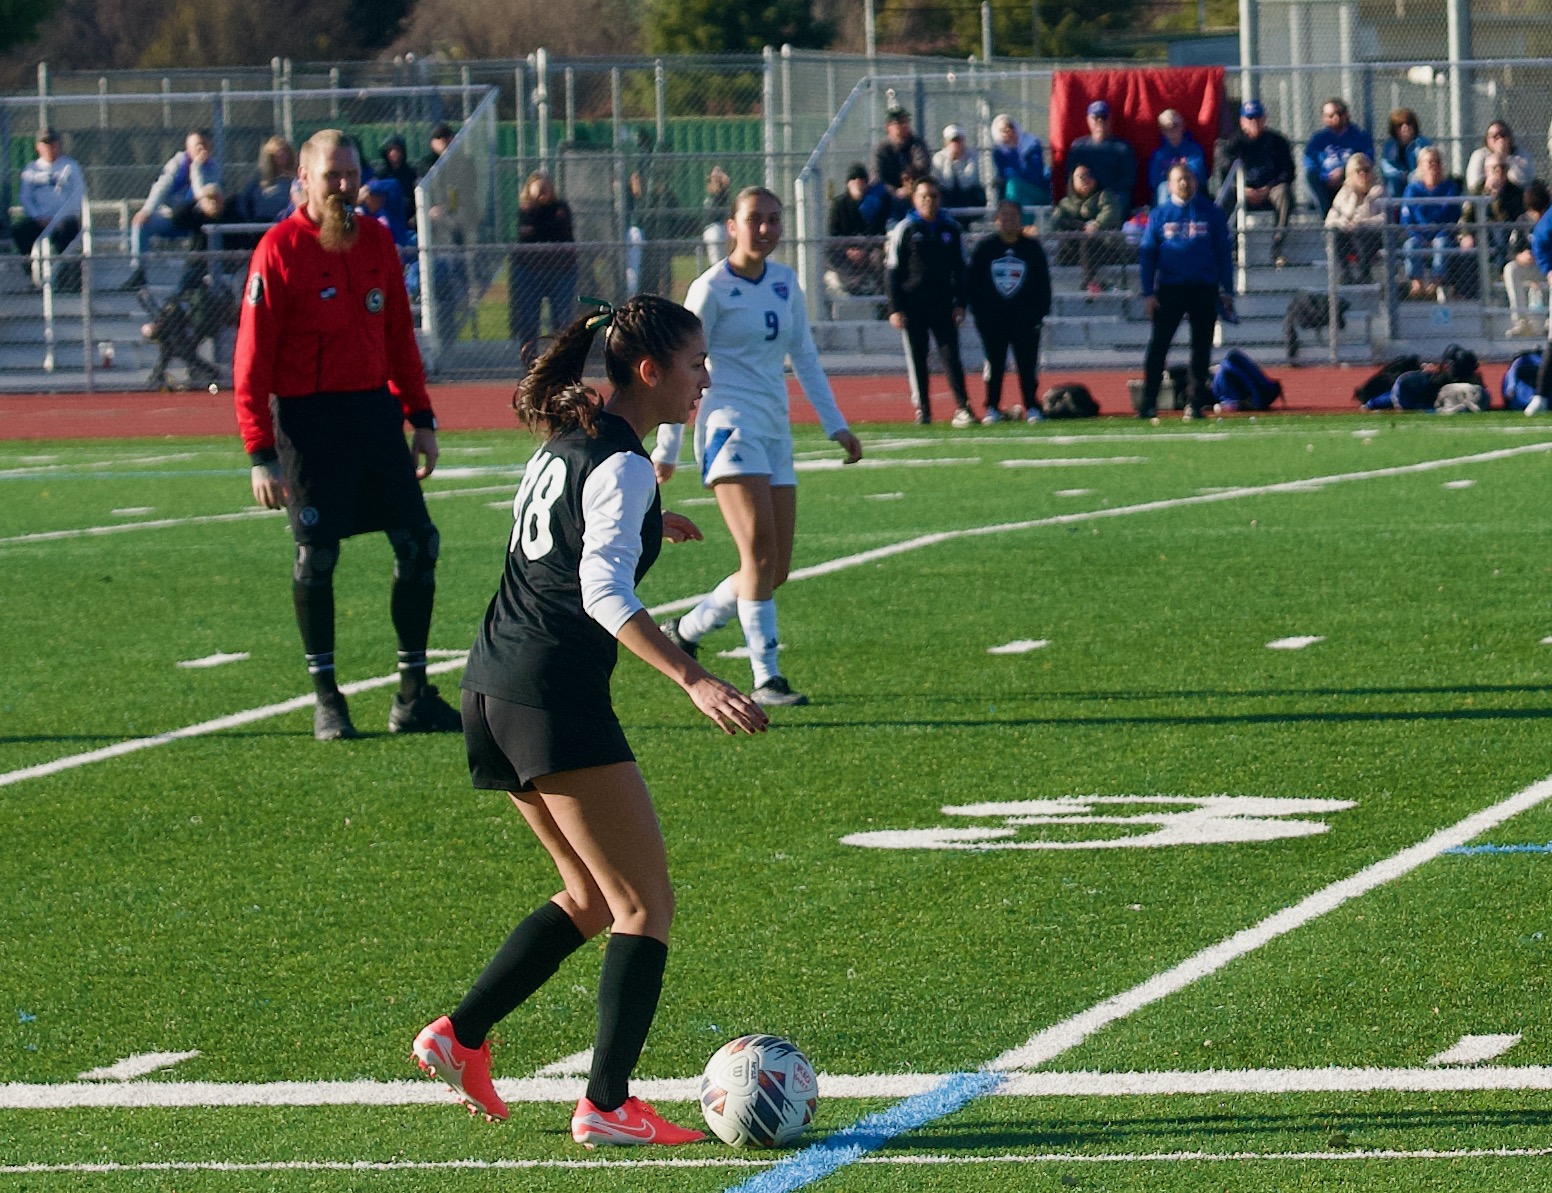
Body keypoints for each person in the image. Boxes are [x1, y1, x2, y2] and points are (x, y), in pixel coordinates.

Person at [413, 294, 768, 1146]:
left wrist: (652, 522)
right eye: (693, 365)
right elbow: (600, 589)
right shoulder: (624, 462)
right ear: (650, 370)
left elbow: (556, 543)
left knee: (589, 896)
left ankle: (460, 1035)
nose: (704, 379)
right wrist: (692, 677)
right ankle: (607, 1102)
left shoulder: (571, 441)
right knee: (645, 904)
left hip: (488, 689)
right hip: (549, 694)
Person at [233, 128, 462, 742]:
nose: (342, 186)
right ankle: (327, 697)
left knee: (419, 545)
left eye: (349, 174)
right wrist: (260, 452)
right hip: (307, 425)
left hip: (373, 415)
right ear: (301, 181)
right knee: (319, 556)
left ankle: (413, 696)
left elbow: (398, 339)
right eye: (330, 175)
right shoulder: (278, 250)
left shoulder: (379, 239)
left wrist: (422, 417)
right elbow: (251, 360)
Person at [650, 187, 863, 706]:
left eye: (773, 220)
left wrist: (836, 425)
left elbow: (805, 357)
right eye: (755, 220)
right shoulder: (710, 288)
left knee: (774, 569)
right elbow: (679, 367)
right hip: (728, 425)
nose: (765, 229)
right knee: (758, 554)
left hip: (774, 430)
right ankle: (767, 678)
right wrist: (668, 445)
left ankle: (689, 629)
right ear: (732, 226)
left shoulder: (787, 282)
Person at [1137, 162, 1233, 421]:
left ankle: (1195, 403)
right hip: (1170, 289)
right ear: (1169, 185)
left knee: (1201, 349)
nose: (1184, 183)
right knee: (1158, 347)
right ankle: (1148, 402)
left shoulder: (1211, 213)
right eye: (1179, 179)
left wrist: (1228, 290)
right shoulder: (1160, 214)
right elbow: (1148, 255)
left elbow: (1224, 253)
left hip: (1204, 287)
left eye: (1188, 178)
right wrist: (1148, 292)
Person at [885, 176, 974, 427]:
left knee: (951, 356)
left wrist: (960, 304)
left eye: (933, 196)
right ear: (915, 199)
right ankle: (923, 410)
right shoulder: (905, 228)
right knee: (917, 358)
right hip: (913, 305)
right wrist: (895, 308)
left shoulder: (951, 229)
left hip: (943, 304)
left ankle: (962, 406)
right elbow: (892, 271)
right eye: (923, 196)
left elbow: (960, 269)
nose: (929, 201)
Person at [967, 199, 1052, 424]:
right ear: (996, 219)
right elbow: (973, 284)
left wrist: (1038, 313)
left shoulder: (1032, 248)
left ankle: (1032, 406)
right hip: (993, 319)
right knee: (994, 364)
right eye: (1003, 215)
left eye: (1013, 215)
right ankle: (992, 407)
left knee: (1027, 364)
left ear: (1020, 218)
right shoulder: (985, 248)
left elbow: (1043, 284)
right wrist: (980, 314)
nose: (1008, 220)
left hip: (1025, 319)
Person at [125, 128, 221, 288]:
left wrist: (197, 167)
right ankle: (138, 272)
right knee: (140, 223)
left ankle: (193, 278)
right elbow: (161, 186)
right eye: (197, 145)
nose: (202, 149)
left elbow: (202, 194)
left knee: (210, 230)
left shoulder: (212, 168)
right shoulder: (178, 163)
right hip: (171, 217)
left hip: (195, 222)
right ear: (188, 147)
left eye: (205, 145)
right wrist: (147, 210)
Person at [1216, 99, 1296, 268]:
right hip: (1242, 191)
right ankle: (1230, 248)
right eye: (1249, 118)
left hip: (1270, 189)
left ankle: (1277, 247)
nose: (1254, 122)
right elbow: (1224, 173)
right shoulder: (1233, 142)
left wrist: (1267, 188)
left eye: (1258, 118)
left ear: (1265, 118)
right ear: (1242, 120)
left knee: (1283, 193)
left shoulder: (1277, 141)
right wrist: (1242, 190)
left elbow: (1288, 171)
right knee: (1226, 197)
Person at [509, 170, 578, 361]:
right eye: (539, 187)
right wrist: (542, 222)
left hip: (561, 271)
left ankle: (561, 364)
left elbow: (560, 229)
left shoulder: (561, 207)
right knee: (529, 321)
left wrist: (540, 228)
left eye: (546, 186)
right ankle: (530, 365)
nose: (543, 191)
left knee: (562, 320)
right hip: (529, 271)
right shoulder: (525, 209)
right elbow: (526, 232)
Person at [12, 128, 84, 289]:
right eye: (45, 144)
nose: (50, 147)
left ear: (58, 144)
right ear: (38, 146)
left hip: (64, 220)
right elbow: (25, 198)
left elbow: (78, 195)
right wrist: (38, 217)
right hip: (41, 220)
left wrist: (61, 218)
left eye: (53, 143)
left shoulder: (70, 166)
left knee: (68, 235)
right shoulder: (31, 169)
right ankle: (35, 278)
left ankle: (69, 281)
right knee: (20, 233)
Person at [1458, 152, 1525, 300]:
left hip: (1508, 237)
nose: (1499, 172)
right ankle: (1468, 293)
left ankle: (1500, 271)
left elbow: (1509, 218)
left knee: (1499, 230)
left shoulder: (1514, 192)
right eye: (1494, 168)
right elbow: (1466, 217)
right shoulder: (1477, 190)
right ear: (1486, 171)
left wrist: (1496, 196)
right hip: (1482, 236)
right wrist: (1466, 234)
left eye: (1503, 168)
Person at [1399, 145, 1463, 300]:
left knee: (1441, 243)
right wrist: (1421, 237)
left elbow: (1453, 219)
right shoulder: (1412, 190)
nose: (1434, 165)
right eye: (1429, 162)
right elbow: (1406, 220)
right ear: (1420, 166)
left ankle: (1436, 283)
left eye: (1437, 162)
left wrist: (1437, 236)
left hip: (1442, 236)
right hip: (1418, 236)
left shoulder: (1450, 188)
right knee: (1410, 245)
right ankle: (1417, 285)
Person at [1048, 163, 1123, 293]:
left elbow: (1111, 213)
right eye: (1080, 177)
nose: (1085, 179)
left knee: (1087, 240)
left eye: (1088, 175)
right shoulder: (1065, 204)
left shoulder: (1104, 196)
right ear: (1072, 181)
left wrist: (1097, 224)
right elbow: (1054, 222)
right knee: (1070, 229)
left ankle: (1090, 282)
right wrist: (1081, 227)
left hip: (1101, 248)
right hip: (1073, 252)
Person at [1303, 98, 1375, 217]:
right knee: (1309, 176)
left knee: (1361, 172)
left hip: (1350, 181)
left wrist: (1344, 171)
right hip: (1325, 184)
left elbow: (1368, 159)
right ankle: (1328, 220)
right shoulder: (1318, 139)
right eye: (1330, 116)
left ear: (1347, 114)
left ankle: (1349, 221)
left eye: (1340, 114)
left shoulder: (1360, 136)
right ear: (1324, 118)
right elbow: (1309, 163)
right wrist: (1326, 177)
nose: (1336, 118)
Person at [825, 162, 889, 297]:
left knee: (878, 256)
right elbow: (834, 233)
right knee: (829, 253)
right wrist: (848, 250)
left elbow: (879, 231)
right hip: (846, 250)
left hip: (869, 250)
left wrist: (864, 250)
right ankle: (854, 283)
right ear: (848, 183)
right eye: (854, 179)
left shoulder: (875, 205)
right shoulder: (839, 204)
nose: (858, 183)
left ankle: (881, 295)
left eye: (861, 180)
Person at [1324, 152, 1386, 285]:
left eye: (1366, 170)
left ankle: (1365, 273)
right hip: (1349, 239)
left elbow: (1385, 219)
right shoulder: (1344, 193)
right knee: (1335, 233)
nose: (1363, 174)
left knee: (1360, 231)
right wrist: (1345, 222)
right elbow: (1330, 221)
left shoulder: (1378, 191)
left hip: (1373, 238)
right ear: (1350, 174)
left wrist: (1362, 222)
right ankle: (1345, 273)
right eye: (1358, 171)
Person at [226, 136, 297, 249]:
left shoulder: (295, 178)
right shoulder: (260, 179)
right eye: (278, 153)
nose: (282, 156)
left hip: (285, 222)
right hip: (261, 223)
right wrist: (247, 221)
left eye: (284, 152)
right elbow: (244, 199)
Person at [1067, 100, 1137, 214]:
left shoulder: (1122, 148)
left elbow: (1129, 179)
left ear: (1110, 120)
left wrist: (1104, 192)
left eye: (1103, 117)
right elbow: (1070, 177)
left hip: (1112, 195)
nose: (1100, 121)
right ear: (1088, 120)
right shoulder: (1079, 147)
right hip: (1085, 195)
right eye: (1095, 117)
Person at [1503, 180, 1549, 338]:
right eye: (1533, 211)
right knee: (1511, 269)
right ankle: (1520, 321)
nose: (1537, 216)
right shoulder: (1522, 221)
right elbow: (1510, 251)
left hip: (1548, 267)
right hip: (1532, 268)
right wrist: (1520, 256)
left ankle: (1550, 322)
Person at [874, 105, 932, 219]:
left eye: (905, 121)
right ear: (888, 127)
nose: (903, 126)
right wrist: (895, 191)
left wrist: (910, 185)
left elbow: (923, 166)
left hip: (914, 188)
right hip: (890, 192)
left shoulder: (916, 143)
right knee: (875, 196)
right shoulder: (882, 148)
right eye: (898, 123)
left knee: (930, 193)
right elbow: (877, 176)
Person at [1148, 109, 1207, 205]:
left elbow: (1199, 174)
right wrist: (1179, 170)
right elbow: (1153, 181)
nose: (1172, 130)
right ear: (1162, 131)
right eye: (1167, 127)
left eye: (1175, 125)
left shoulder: (1194, 149)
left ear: (1182, 126)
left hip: (1191, 190)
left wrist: (1172, 171)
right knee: (1163, 188)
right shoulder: (1158, 155)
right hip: (1167, 192)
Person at [989, 113, 1049, 207]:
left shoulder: (1032, 144)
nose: (1010, 132)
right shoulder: (999, 152)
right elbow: (1005, 173)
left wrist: (1013, 150)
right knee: (1013, 189)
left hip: (1037, 190)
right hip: (1015, 193)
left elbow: (1034, 176)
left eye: (1011, 127)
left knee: (1013, 185)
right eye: (1003, 131)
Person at [1466, 121, 1534, 192]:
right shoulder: (1479, 155)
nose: (1499, 139)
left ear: (1510, 138)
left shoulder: (1521, 153)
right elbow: (1473, 184)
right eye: (1493, 136)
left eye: (1503, 135)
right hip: (1485, 195)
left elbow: (1524, 181)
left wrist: (1505, 156)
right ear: (1487, 139)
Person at [933, 124, 986, 216]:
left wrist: (958, 163)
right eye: (952, 141)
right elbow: (947, 183)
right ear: (946, 142)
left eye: (959, 140)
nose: (956, 144)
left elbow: (967, 183)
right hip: (948, 194)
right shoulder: (939, 157)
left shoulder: (973, 155)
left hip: (968, 194)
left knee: (975, 192)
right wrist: (950, 161)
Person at [1379, 108, 1429, 198]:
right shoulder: (1391, 145)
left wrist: (1411, 175)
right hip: (1399, 179)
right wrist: (1401, 174)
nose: (1405, 128)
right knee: (1393, 181)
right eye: (1399, 125)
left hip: (1416, 177)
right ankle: (1395, 206)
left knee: (1413, 179)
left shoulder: (1421, 143)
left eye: (1408, 124)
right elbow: (1386, 166)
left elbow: (1427, 163)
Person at [375, 134, 419, 227]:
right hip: (386, 217)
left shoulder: (410, 173)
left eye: (397, 150)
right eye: (390, 150)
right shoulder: (381, 174)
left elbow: (413, 198)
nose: (393, 153)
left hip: (407, 217)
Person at [701, 164, 732, 265]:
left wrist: (719, 178)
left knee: (718, 263)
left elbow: (724, 186)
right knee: (717, 262)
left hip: (717, 229)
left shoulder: (720, 195)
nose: (710, 183)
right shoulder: (710, 196)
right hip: (712, 229)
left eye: (714, 180)